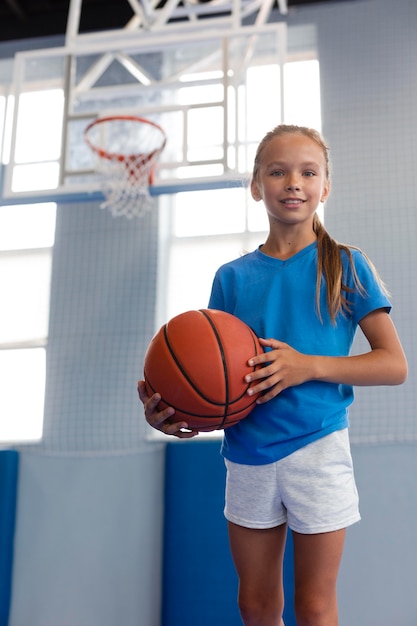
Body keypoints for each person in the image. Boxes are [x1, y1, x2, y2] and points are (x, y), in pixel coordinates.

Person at [137, 124, 407, 626]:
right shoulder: (232, 277)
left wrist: (307, 366)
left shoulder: (344, 266)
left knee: (314, 605)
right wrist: (178, 413)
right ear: (256, 185)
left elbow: (394, 364)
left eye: (308, 172)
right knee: (256, 605)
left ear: (325, 186)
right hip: (248, 453)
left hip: (318, 448)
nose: (293, 182)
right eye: (277, 171)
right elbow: (219, 383)